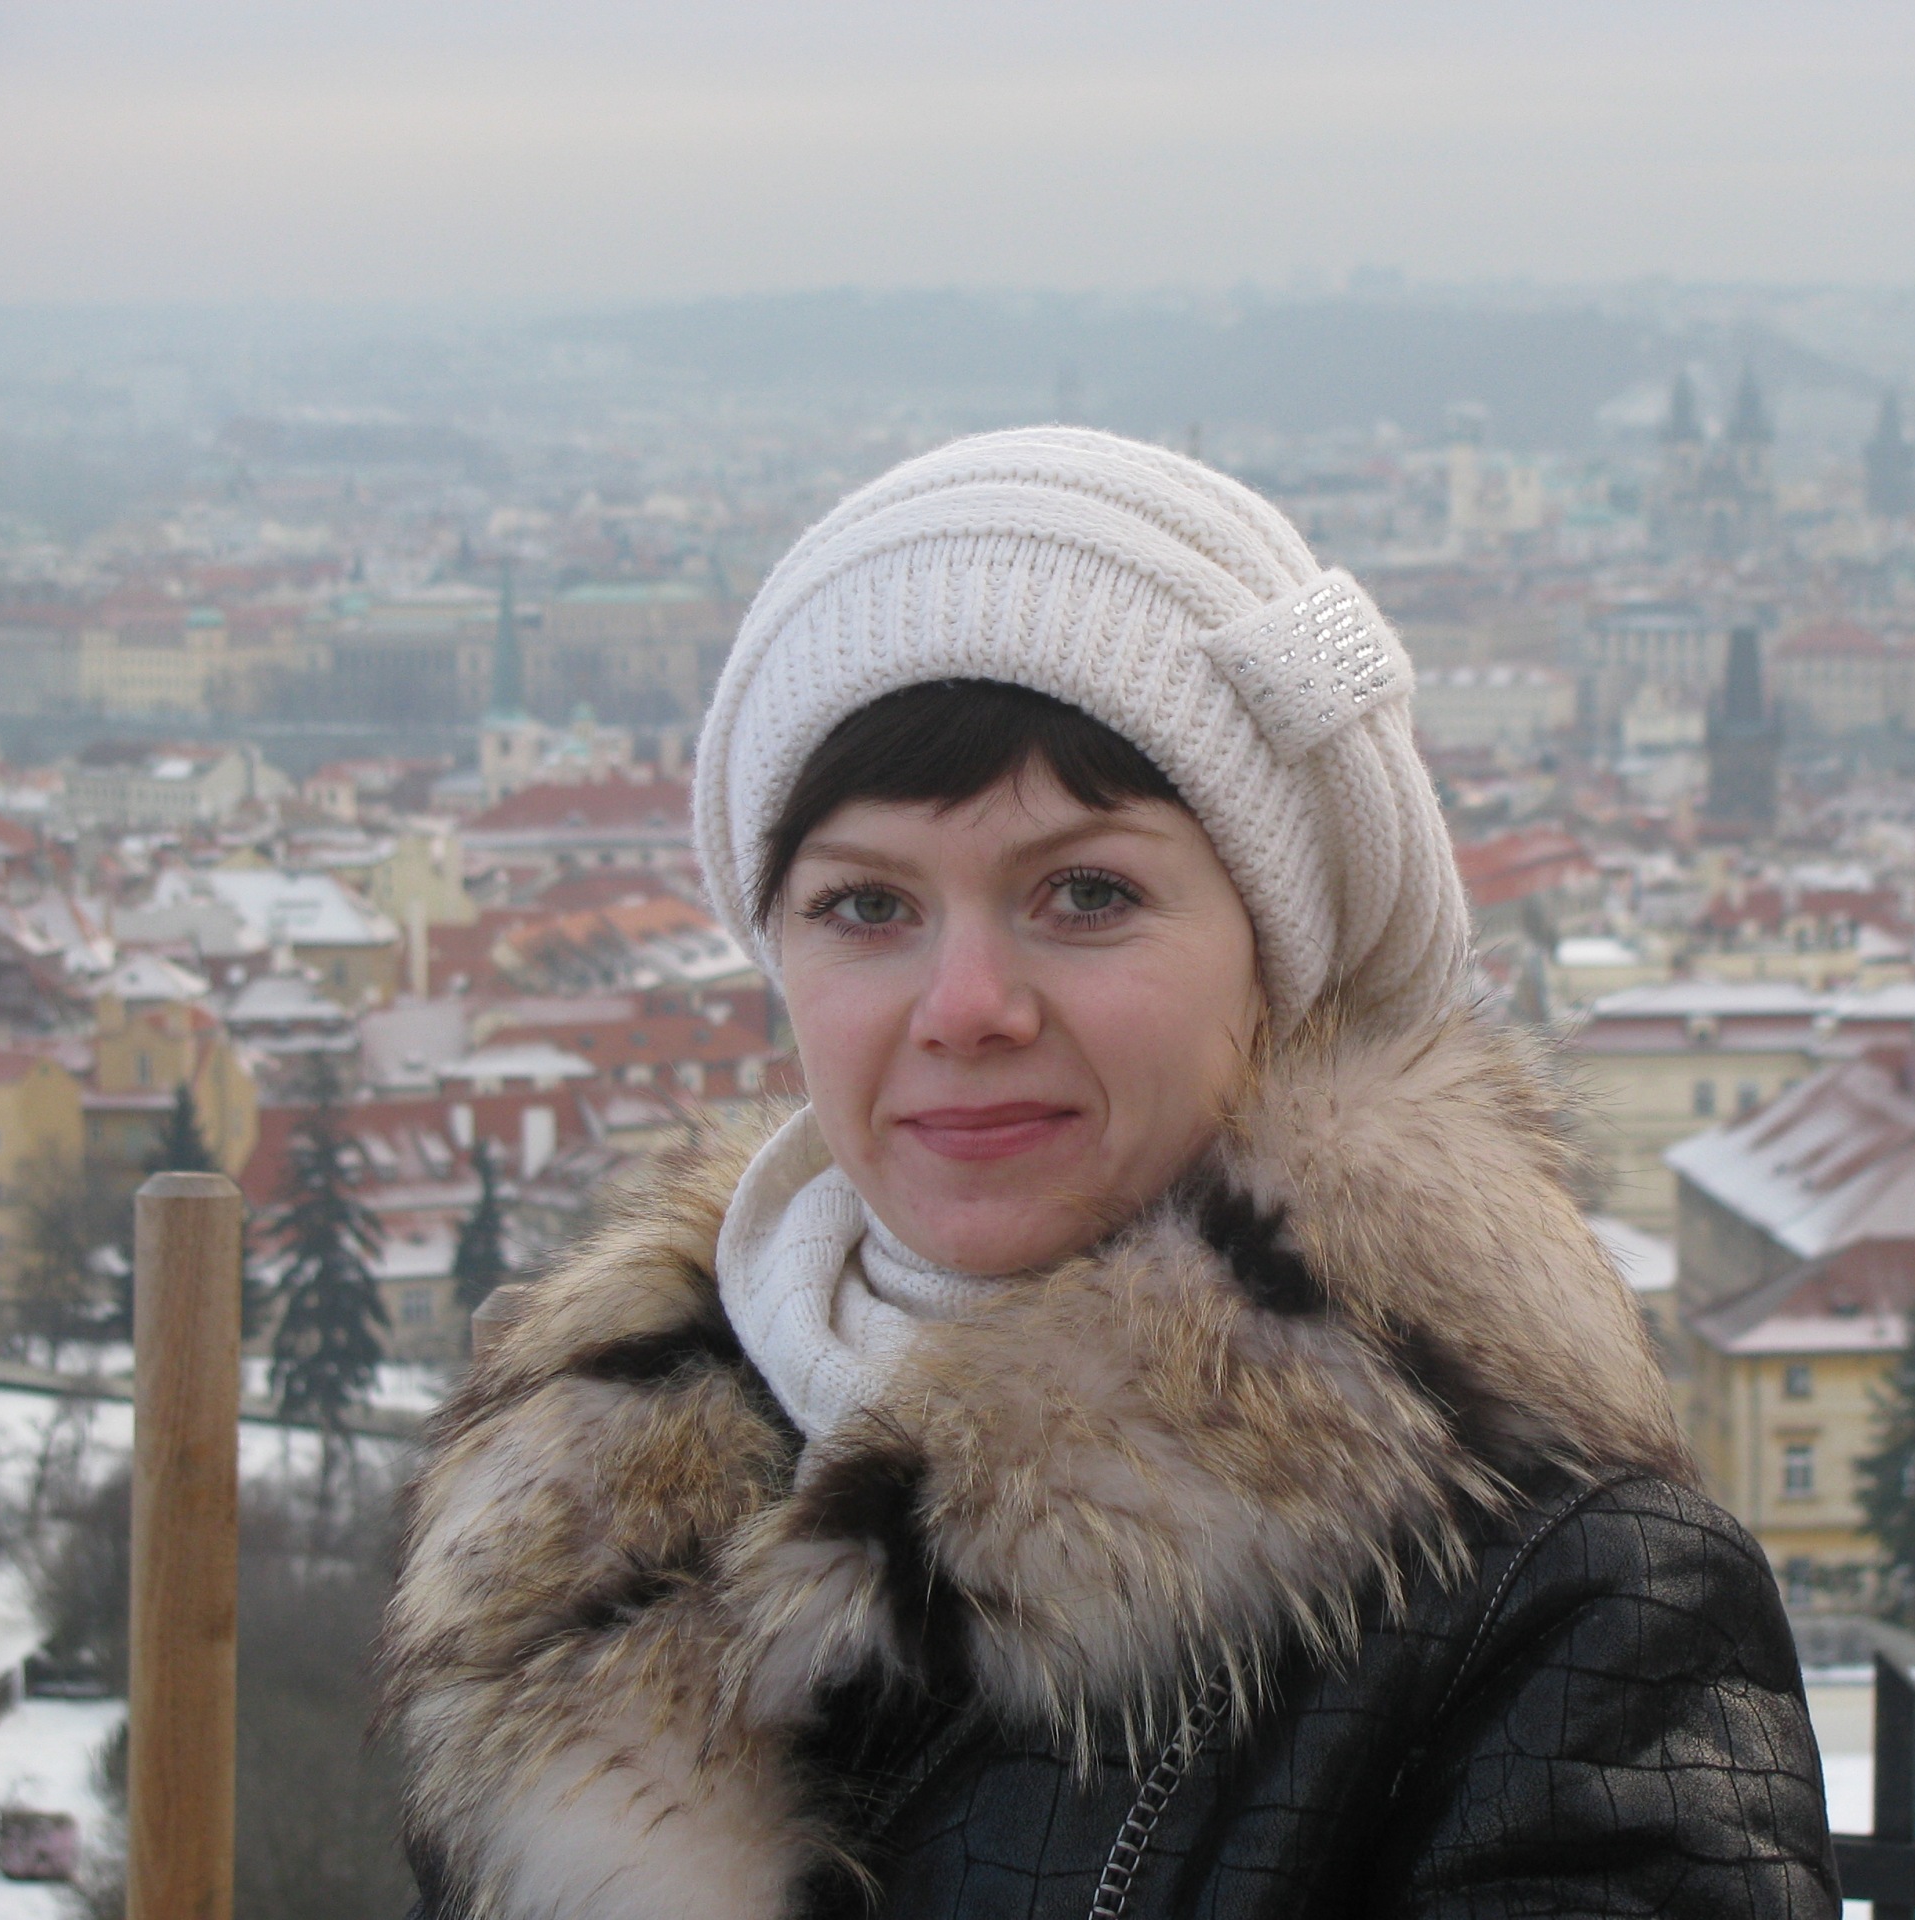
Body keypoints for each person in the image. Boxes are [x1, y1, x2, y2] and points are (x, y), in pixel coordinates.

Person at [384, 428, 1838, 1919]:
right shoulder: (562, 1546)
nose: (965, 1007)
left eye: (1086, 893)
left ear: (1282, 956)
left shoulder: (1570, 1612)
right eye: (866, 905)